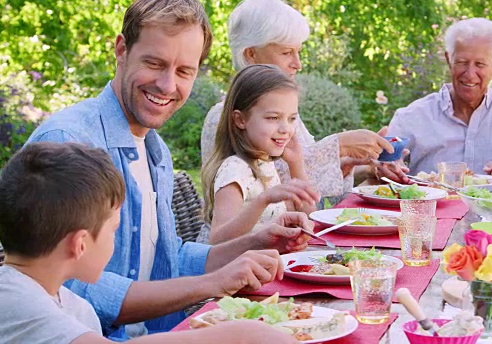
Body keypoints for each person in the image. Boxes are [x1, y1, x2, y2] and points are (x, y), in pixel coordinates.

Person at [26, 0, 313, 340]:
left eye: (184, 71)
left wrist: (253, 243)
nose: (168, 85)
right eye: (155, 63)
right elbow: (66, 288)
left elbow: (166, 258)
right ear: (121, 50)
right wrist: (210, 283)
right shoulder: (68, 142)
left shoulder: (154, 148)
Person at [0, 142, 296, 344]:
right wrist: (238, 334)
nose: (115, 239)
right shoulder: (16, 299)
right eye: (113, 229)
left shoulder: (68, 303)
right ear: (79, 244)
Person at [200, 0, 408, 200]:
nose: (297, 64)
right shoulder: (223, 116)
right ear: (251, 54)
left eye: (298, 52)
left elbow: (297, 178)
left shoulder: (281, 112)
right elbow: (263, 190)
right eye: (287, 52)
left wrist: (355, 166)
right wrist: (339, 146)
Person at [387, 18, 492, 175]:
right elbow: (383, 176)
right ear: (449, 60)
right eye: (461, 62)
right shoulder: (411, 117)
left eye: (480, 64)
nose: (470, 75)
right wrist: (388, 168)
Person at [200, 65, 320, 244]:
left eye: (291, 119)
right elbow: (217, 241)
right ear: (240, 120)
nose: (285, 129)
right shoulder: (235, 169)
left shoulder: (262, 162)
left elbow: (312, 218)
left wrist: (296, 164)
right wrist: (263, 199)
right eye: (273, 118)